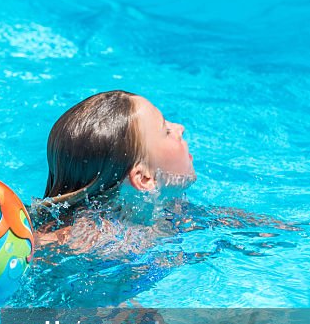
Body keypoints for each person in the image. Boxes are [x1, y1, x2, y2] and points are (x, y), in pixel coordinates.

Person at [36, 90, 196, 252]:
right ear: (143, 179)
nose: (180, 128)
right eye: (166, 131)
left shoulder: (171, 208)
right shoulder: (89, 240)